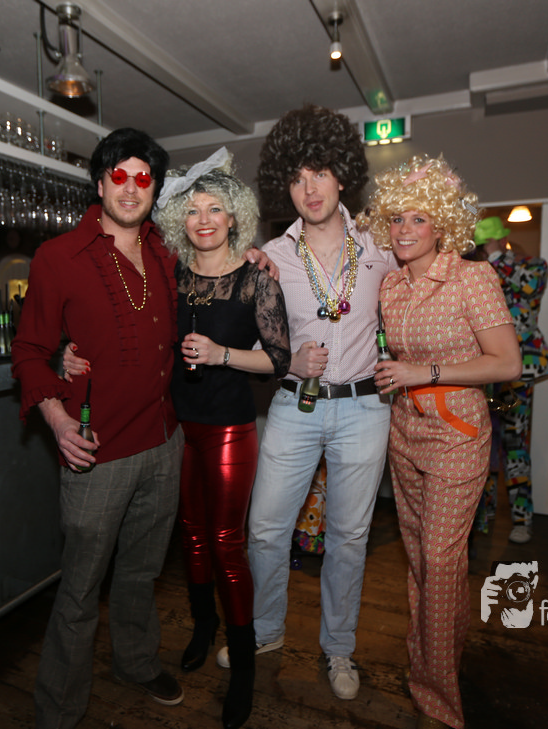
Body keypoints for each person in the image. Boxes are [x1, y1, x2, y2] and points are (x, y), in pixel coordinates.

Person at [62, 148, 289, 729]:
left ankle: (243, 664)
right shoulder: (171, 274)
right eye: (192, 210)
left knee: (226, 542)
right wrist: (67, 350)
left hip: (230, 428)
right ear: (178, 220)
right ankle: (204, 626)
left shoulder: (256, 279)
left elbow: (279, 361)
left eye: (215, 209)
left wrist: (221, 355)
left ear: (234, 217)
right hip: (173, 429)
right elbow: (115, 320)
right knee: (188, 537)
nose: (203, 220)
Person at [11, 128, 185, 726]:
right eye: (119, 176)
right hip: (97, 452)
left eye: (144, 178)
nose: (131, 188)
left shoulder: (166, 254)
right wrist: (57, 419)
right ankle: (59, 710)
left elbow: (224, 263)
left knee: (141, 573)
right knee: (81, 589)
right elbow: (29, 351)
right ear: (99, 182)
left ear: (155, 188)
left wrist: (259, 255)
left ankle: (135, 663)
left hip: (163, 441)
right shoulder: (58, 257)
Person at [226, 104, 398, 702]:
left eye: (320, 172)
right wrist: (288, 361)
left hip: (364, 410)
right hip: (293, 406)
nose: (310, 189)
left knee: (349, 538)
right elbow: (253, 342)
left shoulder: (380, 248)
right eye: (298, 178)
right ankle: (265, 631)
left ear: (342, 174)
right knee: (265, 530)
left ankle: (339, 648)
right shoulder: (269, 258)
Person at [365, 154, 522, 729]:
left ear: (442, 225)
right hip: (405, 434)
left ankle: (437, 695)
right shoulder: (391, 285)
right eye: (396, 219)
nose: (404, 230)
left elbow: (507, 363)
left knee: (440, 558)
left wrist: (424, 373)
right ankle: (435, 655)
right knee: (424, 562)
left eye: (418, 219)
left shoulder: (471, 277)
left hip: (457, 435)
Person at [471, 216, 548, 544]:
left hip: (517, 374)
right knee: (483, 442)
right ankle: (484, 515)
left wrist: (495, 256)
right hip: (483, 370)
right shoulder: (477, 271)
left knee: (514, 443)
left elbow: (530, 287)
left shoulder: (533, 266)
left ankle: (522, 520)